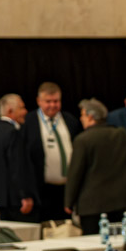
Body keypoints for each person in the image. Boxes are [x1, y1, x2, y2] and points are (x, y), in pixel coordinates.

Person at [66, 98, 126, 235]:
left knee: (93, 244)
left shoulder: (83, 140)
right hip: (121, 200)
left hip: (92, 205)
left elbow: (75, 173)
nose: (81, 118)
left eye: (83, 115)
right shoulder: (120, 134)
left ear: (91, 117)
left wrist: (69, 202)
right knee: (120, 242)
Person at [19, 81, 82, 224]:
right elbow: (22, 160)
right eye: (48, 101)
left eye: (56, 101)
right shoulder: (29, 122)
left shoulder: (70, 120)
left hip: (67, 190)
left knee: (67, 228)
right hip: (41, 190)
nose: (52, 105)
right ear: (39, 101)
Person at [0, 93, 30, 222]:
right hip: (13, 199)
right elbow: (16, 167)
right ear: (10, 110)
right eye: (21, 108)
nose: (25, 112)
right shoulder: (13, 132)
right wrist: (24, 195)